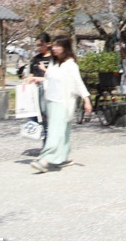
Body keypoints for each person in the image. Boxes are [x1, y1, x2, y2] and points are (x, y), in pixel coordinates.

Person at [31, 36, 91, 173]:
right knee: (62, 131)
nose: (54, 48)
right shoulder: (53, 63)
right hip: (51, 101)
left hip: (63, 102)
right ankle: (64, 157)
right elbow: (49, 78)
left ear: (65, 47)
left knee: (54, 132)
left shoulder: (71, 65)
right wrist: (37, 79)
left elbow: (78, 83)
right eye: (54, 46)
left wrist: (86, 99)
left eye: (58, 46)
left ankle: (44, 160)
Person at [25, 33, 53, 131]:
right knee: (34, 116)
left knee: (46, 117)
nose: (39, 47)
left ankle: (48, 143)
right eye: (37, 45)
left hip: (49, 91)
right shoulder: (36, 59)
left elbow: (56, 76)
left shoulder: (53, 59)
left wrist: (44, 69)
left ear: (48, 44)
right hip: (35, 91)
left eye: (41, 45)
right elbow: (31, 74)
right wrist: (26, 86)